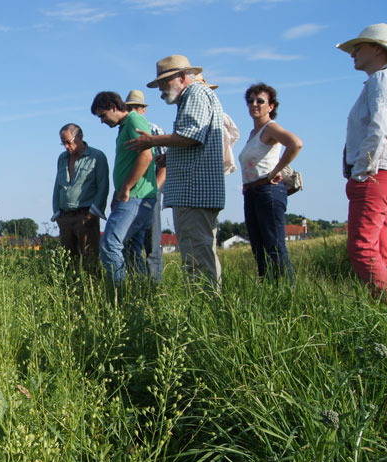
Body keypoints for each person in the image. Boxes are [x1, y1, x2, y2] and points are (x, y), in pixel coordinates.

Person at [127, 55, 226, 291]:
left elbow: (191, 135)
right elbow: (195, 140)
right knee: (201, 252)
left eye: (163, 82)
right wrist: (169, 155)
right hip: (197, 191)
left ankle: (205, 309)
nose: (160, 89)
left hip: (194, 191)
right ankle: (210, 307)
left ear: (181, 77)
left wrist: (151, 141)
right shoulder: (197, 96)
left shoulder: (195, 94)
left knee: (196, 257)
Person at [337, 23, 387, 303]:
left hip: (377, 173)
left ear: (378, 49)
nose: (353, 53)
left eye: (359, 46)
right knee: (381, 248)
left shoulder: (383, 80)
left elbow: (381, 128)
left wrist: (362, 171)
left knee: (362, 247)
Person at [238, 83, 303, 283]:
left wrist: (275, 171)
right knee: (259, 248)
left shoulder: (270, 128)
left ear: (271, 106)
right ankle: (269, 291)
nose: (254, 105)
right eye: (250, 101)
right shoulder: (252, 134)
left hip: (268, 191)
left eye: (260, 101)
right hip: (252, 193)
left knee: (274, 247)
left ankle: (287, 294)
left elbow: (295, 143)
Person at [91, 92, 158, 284]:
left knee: (110, 245)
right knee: (130, 248)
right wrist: (118, 191)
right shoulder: (124, 127)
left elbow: (146, 156)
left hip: (135, 196)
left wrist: (126, 187)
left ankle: (117, 294)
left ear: (114, 107)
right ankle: (141, 292)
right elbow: (128, 162)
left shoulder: (134, 121)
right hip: (130, 196)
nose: (102, 121)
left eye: (102, 115)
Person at [52, 123, 109, 271]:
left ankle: (91, 291)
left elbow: (103, 187)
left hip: (86, 216)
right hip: (65, 217)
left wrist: (93, 214)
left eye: (68, 142)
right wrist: (57, 214)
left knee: (90, 261)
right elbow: (57, 186)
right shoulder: (62, 159)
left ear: (80, 137)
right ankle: (70, 292)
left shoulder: (97, 157)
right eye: (63, 143)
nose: (66, 146)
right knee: (67, 263)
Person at [124, 89, 166, 281]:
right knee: (130, 241)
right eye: (129, 108)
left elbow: (166, 165)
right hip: (132, 194)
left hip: (150, 192)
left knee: (152, 242)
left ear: (143, 110)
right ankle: (138, 282)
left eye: (136, 107)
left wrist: (154, 189)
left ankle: (155, 286)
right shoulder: (125, 130)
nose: (133, 111)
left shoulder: (154, 130)